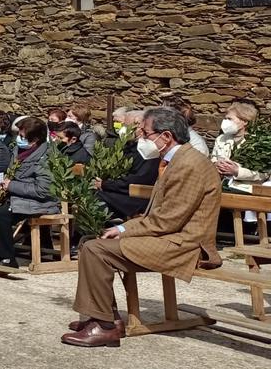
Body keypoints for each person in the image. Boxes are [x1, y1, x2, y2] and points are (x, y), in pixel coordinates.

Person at [63, 107, 221, 347]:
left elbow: (168, 220)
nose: (141, 137)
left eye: (145, 133)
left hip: (184, 244)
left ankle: (104, 327)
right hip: (168, 236)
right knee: (90, 242)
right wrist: (124, 229)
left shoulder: (190, 165)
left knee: (97, 249)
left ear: (166, 136)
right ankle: (107, 317)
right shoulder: (174, 160)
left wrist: (124, 229)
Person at [0, 117, 59, 268]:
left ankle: (7, 257)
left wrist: (12, 186)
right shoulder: (18, 151)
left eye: (22, 136)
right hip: (18, 196)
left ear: (35, 139)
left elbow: (43, 190)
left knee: (2, 214)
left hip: (39, 201)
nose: (18, 139)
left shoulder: (46, 157)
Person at [93, 109, 159, 219]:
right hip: (126, 190)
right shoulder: (130, 145)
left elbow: (138, 179)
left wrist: (105, 184)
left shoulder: (148, 150)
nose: (123, 128)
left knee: (96, 200)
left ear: (139, 126)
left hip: (138, 195)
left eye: (126, 125)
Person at [211, 101, 266, 228]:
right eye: (225, 118)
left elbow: (263, 174)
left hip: (246, 186)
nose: (225, 121)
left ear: (244, 121)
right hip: (220, 183)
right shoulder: (222, 139)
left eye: (229, 119)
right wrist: (216, 165)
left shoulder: (258, 143)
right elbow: (213, 158)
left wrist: (237, 171)